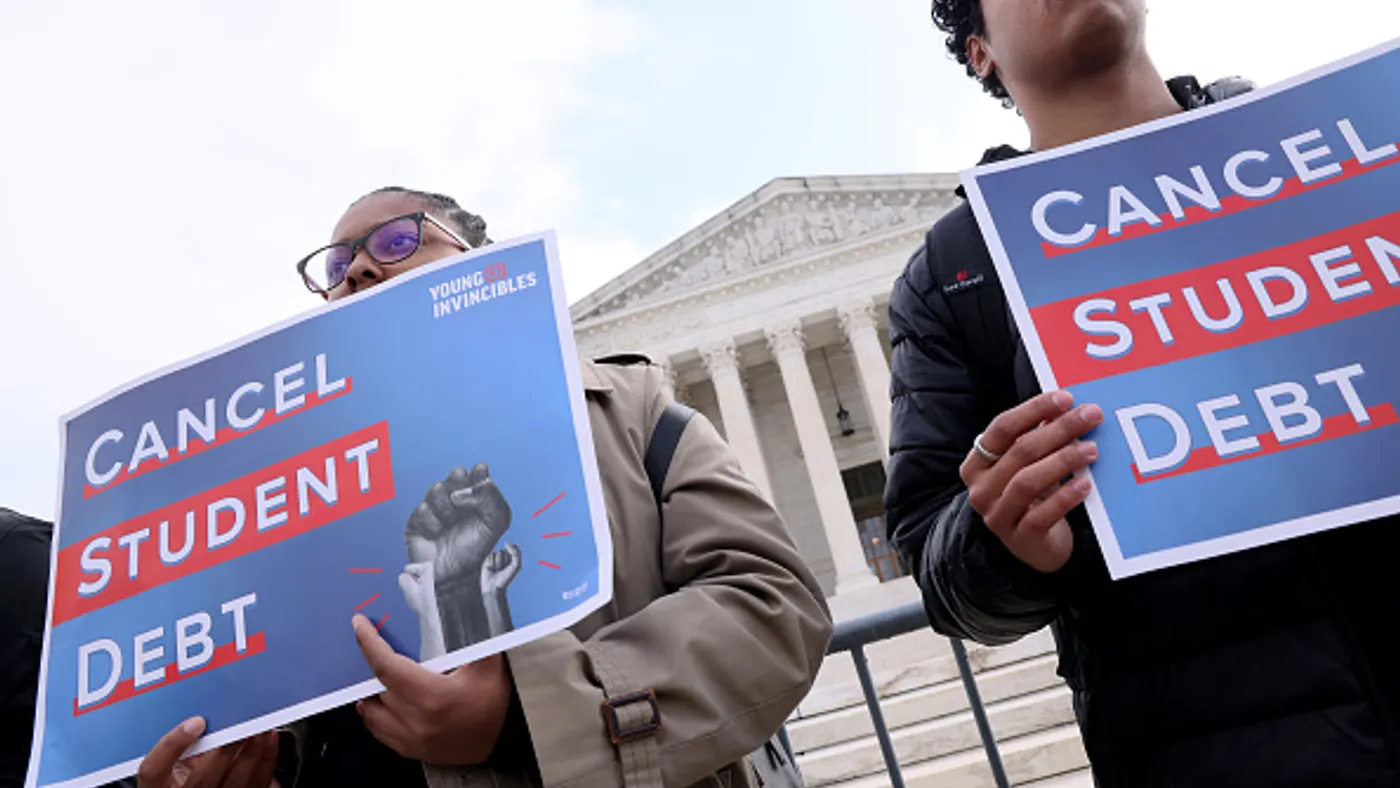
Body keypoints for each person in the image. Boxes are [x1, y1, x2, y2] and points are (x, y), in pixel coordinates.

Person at [136, 186, 833, 788]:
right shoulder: (281, 489)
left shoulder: (625, 411)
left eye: (397, 239)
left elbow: (773, 607)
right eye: (339, 266)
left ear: (479, 262)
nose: (361, 270)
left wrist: (528, 719)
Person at [885, 1, 1400, 786]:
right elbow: (940, 567)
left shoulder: (1344, 144)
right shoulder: (956, 276)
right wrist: (1004, 542)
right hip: (1208, 743)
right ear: (981, 51)